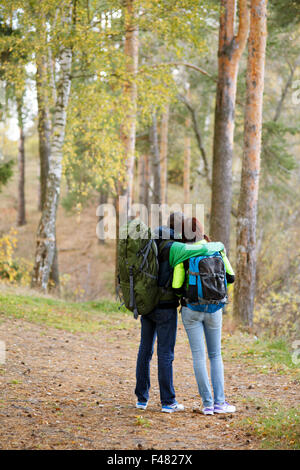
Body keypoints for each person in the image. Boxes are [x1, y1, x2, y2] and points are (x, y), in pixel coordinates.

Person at [172, 217, 236, 415]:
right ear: (201, 231)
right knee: (215, 355)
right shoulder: (215, 249)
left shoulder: (183, 254)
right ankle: (220, 403)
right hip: (214, 310)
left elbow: (175, 286)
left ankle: (207, 404)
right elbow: (231, 277)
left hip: (191, 311)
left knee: (198, 357)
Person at [134, 214, 185, 413]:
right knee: (165, 353)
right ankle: (167, 401)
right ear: (179, 229)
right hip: (166, 306)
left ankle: (141, 398)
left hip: (147, 304)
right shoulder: (175, 247)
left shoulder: (149, 241)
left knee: (145, 350)